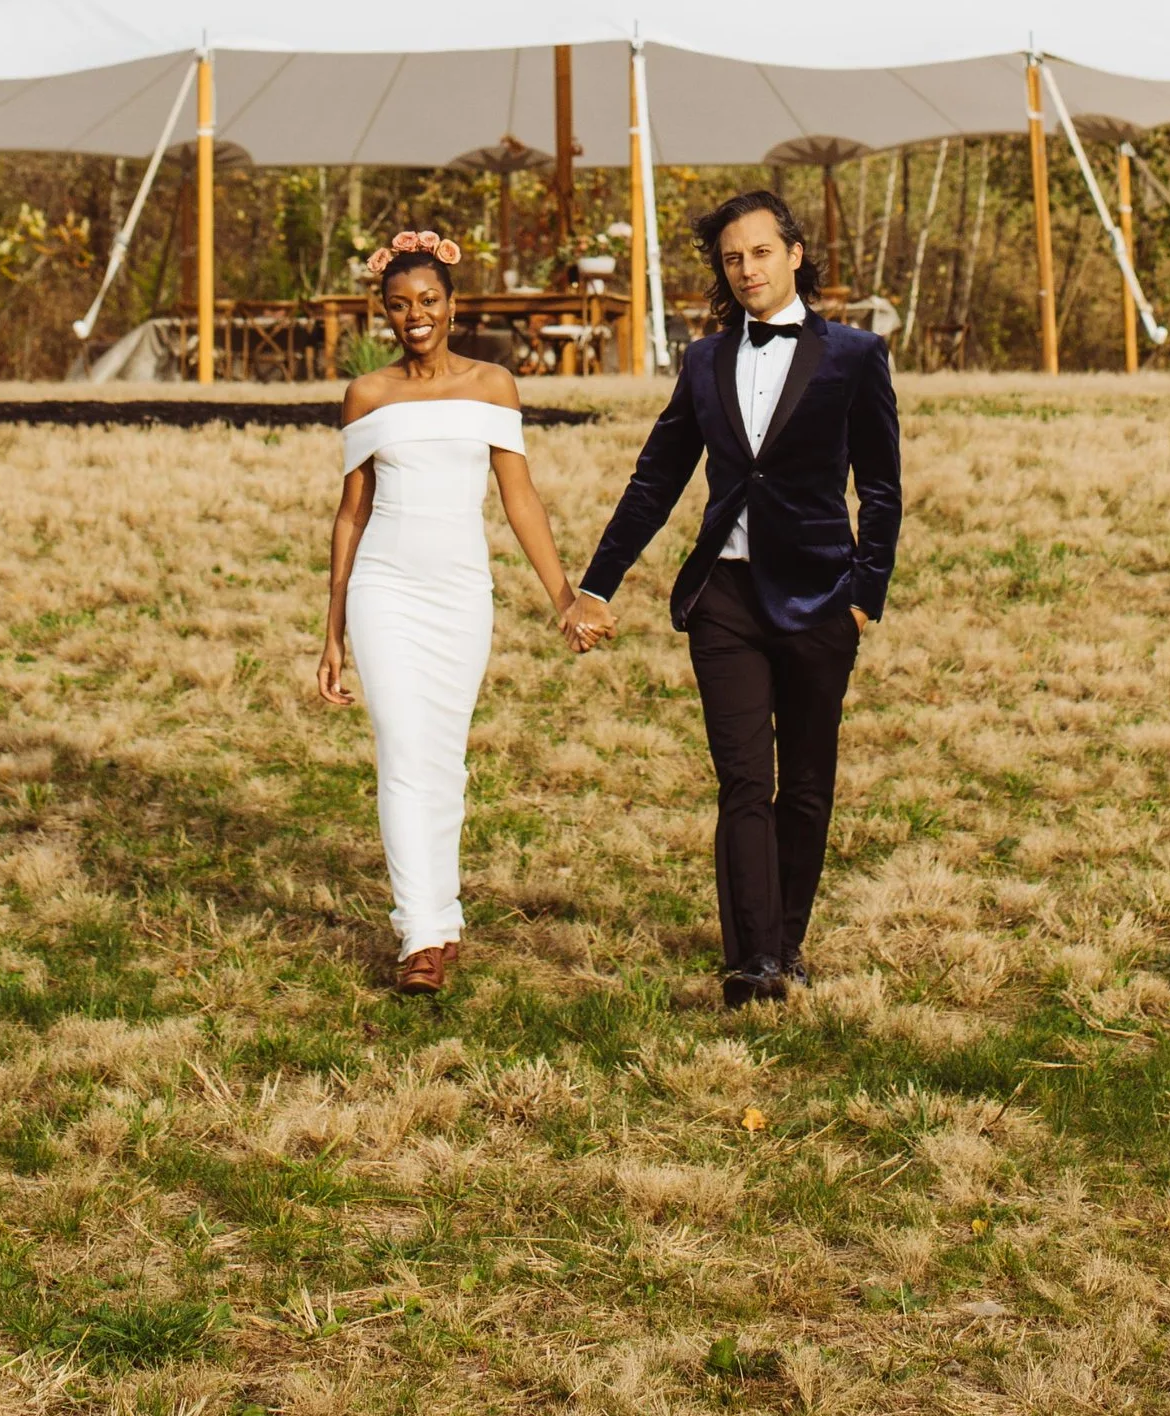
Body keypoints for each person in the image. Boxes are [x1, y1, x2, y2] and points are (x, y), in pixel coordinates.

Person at [563, 186, 902, 1008]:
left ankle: (787, 943)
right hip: (726, 598)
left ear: (793, 255)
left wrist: (865, 593)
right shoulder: (705, 361)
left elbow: (882, 486)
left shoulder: (854, 357)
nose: (746, 269)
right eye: (731, 258)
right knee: (744, 781)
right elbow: (657, 480)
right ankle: (752, 962)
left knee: (808, 784)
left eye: (759, 252)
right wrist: (595, 584)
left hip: (821, 598)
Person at [315, 230, 581, 993]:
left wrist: (562, 594)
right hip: (385, 590)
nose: (415, 316)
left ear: (452, 305)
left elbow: (519, 497)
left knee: (444, 757)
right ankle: (418, 936)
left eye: (428, 301)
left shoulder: (493, 386)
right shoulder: (368, 396)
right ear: (385, 317)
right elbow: (350, 514)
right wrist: (331, 629)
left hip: (462, 593)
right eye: (399, 307)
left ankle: (443, 912)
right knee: (402, 751)